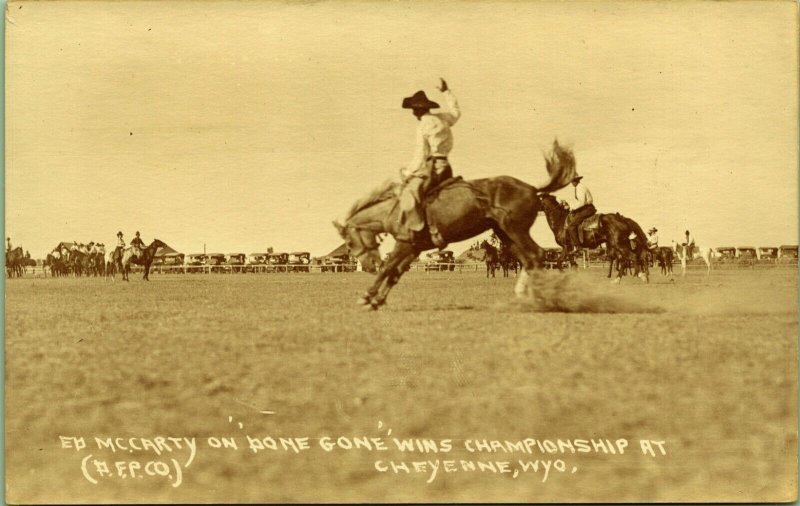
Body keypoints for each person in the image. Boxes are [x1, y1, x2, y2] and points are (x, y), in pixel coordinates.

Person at [398, 78, 461, 246]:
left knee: (411, 193)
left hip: (433, 167)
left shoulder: (423, 126)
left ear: (418, 110)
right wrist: (446, 91)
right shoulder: (443, 119)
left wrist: (408, 172)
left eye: (413, 109)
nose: (413, 113)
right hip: (446, 166)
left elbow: (421, 154)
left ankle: (425, 231)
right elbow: (456, 112)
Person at [564, 174, 596, 252]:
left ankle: (578, 246)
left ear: (576, 181)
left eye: (572, 181)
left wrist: (571, 208)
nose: (571, 183)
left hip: (587, 209)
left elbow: (581, 202)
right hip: (585, 208)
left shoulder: (580, 188)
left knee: (571, 226)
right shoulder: (579, 187)